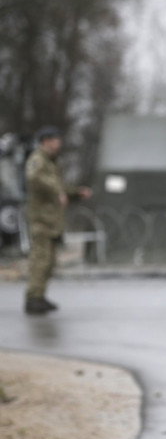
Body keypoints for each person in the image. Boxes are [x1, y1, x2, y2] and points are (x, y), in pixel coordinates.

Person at [24, 126, 92, 314]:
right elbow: (34, 177)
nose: (58, 143)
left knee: (50, 261)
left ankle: (40, 295)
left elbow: (60, 185)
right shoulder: (38, 160)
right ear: (45, 141)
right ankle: (33, 298)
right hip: (41, 220)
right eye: (55, 140)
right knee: (40, 260)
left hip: (52, 220)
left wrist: (76, 192)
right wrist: (57, 191)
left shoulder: (53, 162)